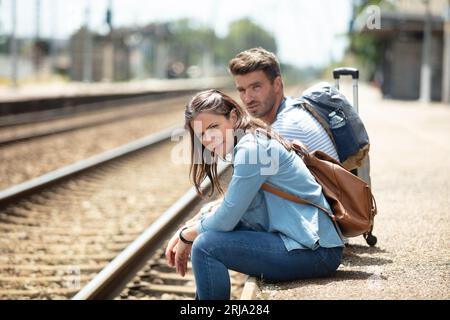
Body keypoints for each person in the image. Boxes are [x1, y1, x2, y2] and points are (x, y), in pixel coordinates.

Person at [165, 89, 344, 300]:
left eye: (214, 127)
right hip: (303, 243)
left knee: (207, 246)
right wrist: (196, 222)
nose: (209, 139)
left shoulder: (252, 149)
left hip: (316, 251)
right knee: (205, 236)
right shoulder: (249, 141)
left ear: (232, 117)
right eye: (201, 134)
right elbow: (233, 204)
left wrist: (186, 235)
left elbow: (226, 218)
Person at [228, 47, 340, 161]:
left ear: (277, 84)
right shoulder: (293, 108)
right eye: (242, 90)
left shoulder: (285, 127)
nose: (247, 99)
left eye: (256, 87)